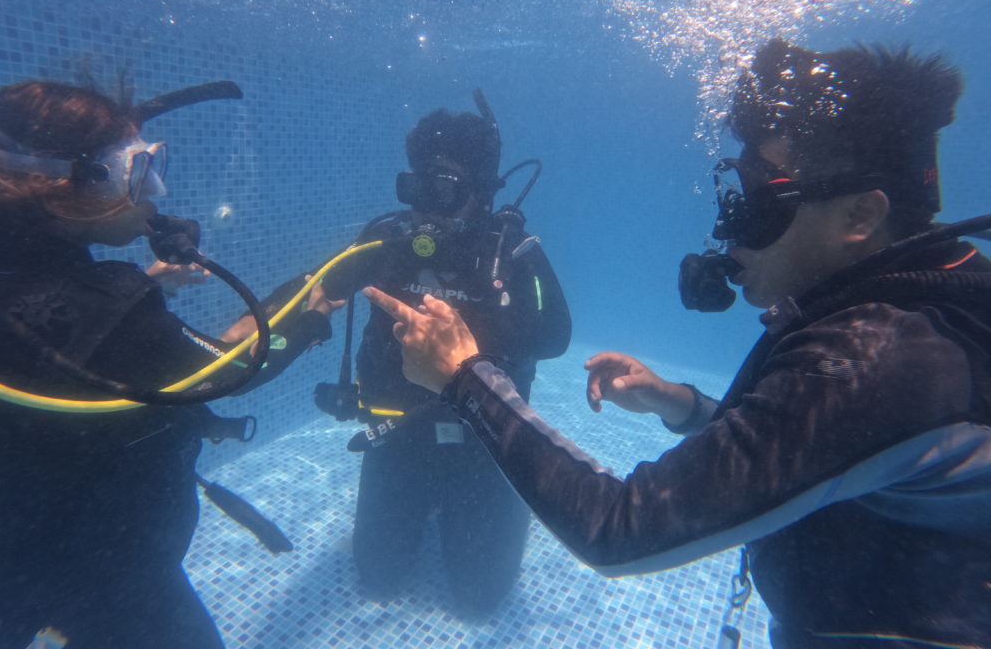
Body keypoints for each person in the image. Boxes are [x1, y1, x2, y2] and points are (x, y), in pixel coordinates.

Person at [364, 40, 991, 649]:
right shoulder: (915, 314)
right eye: (734, 196)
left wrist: (460, 375)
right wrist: (685, 407)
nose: (726, 228)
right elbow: (826, 446)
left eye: (759, 203)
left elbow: (617, 528)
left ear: (859, 217)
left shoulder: (886, 357)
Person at [0, 80, 342, 649]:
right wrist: (306, 320)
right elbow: (229, 371)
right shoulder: (113, 309)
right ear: (68, 186)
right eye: (137, 171)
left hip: (13, 543)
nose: (157, 190)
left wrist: (139, 285)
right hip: (113, 570)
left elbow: (46, 332)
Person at [236, 97, 571, 618]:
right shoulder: (387, 238)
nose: (424, 206)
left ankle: (485, 514)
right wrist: (267, 325)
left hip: (487, 446)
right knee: (378, 575)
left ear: (480, 193)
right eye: (416, 187)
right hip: (396, 435)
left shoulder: (510, 251)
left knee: (479, 600)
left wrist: (477, 333)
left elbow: (554, 339)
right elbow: (321, 287)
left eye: (443, 190)